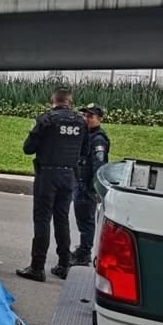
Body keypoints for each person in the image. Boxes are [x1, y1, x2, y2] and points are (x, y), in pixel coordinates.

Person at [16, 88, 89, 283]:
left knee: (42, 219)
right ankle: (64, 265)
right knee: (62, 219)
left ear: (53, 100)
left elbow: (28, 148)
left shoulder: (47, 120)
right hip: (69, 175)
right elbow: (85, 150)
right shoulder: (81, 122)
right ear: (70, 101)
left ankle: (37, 267)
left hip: (48, 174)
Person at [71, 103, 111, 266]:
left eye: (90, 116)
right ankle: (82, 249)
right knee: (82, 219)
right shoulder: (86, 134)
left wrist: (95, 188)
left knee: (86, 221)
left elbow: (99, 165)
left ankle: (85, 254)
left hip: (87, 187)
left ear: (99, 119)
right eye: (85, 115)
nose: (86, 119)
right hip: (80, 183)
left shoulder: (98, 139)